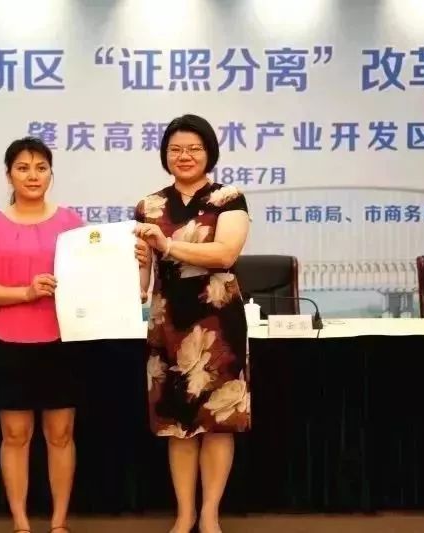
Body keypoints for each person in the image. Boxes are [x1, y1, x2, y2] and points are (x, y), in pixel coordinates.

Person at [133, 114, 251, 533]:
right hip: (167, 320)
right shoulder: (149, 206)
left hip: (217, 319)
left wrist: (166, 245)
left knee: (218, 421)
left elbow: (225, 254)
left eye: (194, 149)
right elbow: (142, 281)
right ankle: (184, 514)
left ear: (209, 153)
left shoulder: (228, 198)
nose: (184, 156)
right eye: (176, 149)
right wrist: (139, 263)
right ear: (165, 155)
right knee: (177, 424)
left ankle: (210, 515)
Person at [0, 137, 84, 533]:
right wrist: (26, 293)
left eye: (41, 168)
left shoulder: (71, 223)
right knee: (15, 436)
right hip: (9, 343)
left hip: (62, 341)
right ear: (9, 175)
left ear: (51, 173)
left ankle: (59, 522)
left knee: (61, 435)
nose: (33, 176)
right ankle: (20, 523)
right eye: (23, 168)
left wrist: (131, 265)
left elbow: (91, 277)